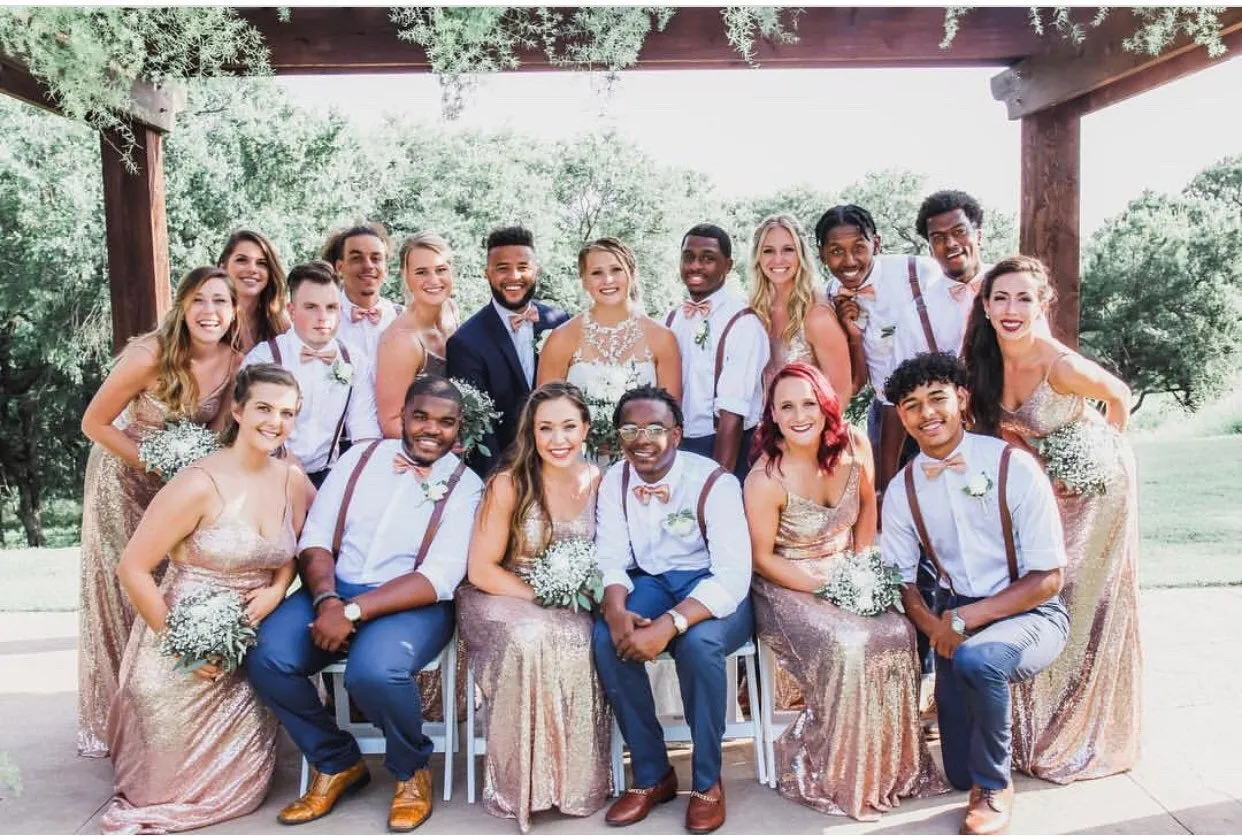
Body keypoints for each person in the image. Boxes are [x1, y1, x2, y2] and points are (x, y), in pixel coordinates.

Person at [245, 376, 483, 831]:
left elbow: (439, 576)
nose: (432, 429)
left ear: (459, 428)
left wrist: (352, 612)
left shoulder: (467, 486)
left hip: (412, 603)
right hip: (335, 589)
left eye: (445, 422)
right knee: (266, 656)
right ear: (403, 417)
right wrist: (330, 599)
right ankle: (335, 760)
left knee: (373, 673)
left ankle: (410, 770)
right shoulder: (359, 458)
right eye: (421, 417)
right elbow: (315, 539)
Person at [102, 364, 311, 833]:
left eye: (287, 413)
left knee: (244, 790)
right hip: (177, 637)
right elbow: (132, 568)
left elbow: (303, 546)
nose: (274, 422)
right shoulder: (197, 483)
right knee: (161, 791)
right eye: (263, 408)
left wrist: (278, 589)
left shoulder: (291, 480)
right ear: (236, 410)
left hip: (248, 648)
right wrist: (182, 645)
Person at [962, 255, 1140, 783]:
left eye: (1024, 299)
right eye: (1001, 298)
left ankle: (1081, 728)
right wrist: (1033, 453)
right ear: (987, 307)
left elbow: (1120, 400)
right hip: (1043, 487)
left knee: (1079, 599)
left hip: (1096, 490)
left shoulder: (1059, 365)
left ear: (1042, 305)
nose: (1011, 309)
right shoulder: (982, 358)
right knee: (1042, 595)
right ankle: (1034, 722)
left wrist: (1093, 454)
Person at [745, 362, 945, 821]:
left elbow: (867, 508)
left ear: (826, 406)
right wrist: (827, 586)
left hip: (847, 567)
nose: (799, 415)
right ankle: (841, 773)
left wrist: (862, 567)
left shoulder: (854, 443)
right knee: (850, 644)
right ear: (772, 415)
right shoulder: (765, 479)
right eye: (786, 406)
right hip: (786, 582)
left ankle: (894, 768)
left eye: (808, 404)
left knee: (897, 632)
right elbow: (762, 558)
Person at [881, 352, 1069, 836]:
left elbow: (1049, 577)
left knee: (979, 660)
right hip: (954, 619)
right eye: (911, 405)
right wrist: (935, 628)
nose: (927, 414)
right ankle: (975, 775)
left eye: (937, 398)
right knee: (956, 771)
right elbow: (902, 581)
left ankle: (994, 787)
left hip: (1033, 612)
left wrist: (966, 622)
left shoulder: (1014, 466)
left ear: (961, 399)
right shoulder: (903, 490)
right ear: (901, 416)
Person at [77, 266, 242, 758]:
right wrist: (156, 462)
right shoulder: (149, 354)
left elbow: (220, 434)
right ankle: (119, 720)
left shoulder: (235, 362)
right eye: (198, 301)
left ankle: (167, 711)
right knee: (124, 590)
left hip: (179, 487)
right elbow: (95, 423)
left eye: (220, 302)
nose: (209, 312)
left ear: (234, 312)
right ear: (182, 307)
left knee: (174, 584)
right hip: (122, 478)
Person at [592, 385, 754, 834]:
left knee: (698, 646)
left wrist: (670, 624)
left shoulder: (715, 482)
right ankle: (651, 774)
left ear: (677, 435)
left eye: (654, 428)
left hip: (712, 587)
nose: (641, 439)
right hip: (650, 581)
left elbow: (733, 576)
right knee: (609, 640)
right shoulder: (614, 480)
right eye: (630, 428)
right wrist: (617, 607)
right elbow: (610, 557)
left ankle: (707, 782)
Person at [457, 382, 612, 832]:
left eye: (568, 427)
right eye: (546, 428)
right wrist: (544, 597)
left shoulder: (601, 481)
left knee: (583, 637)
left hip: (571, 599)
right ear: (531, 431)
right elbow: (482, 569)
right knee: (531, 638)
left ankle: (573, 783)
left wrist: (574, 594)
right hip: (501, 593)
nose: (557, 439)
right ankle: (522, 785)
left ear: (585, 429)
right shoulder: (509, 482)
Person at [816, 204, 943, 492]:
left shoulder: (919, 273)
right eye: (836, 251)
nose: (849, 261)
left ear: (877, 244)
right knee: (886, 494)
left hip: (936, 409)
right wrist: (851, 335)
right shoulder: (827, 296)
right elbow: (855, 382)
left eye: (859, 247)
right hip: (884, 413)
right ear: (822, 254)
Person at [243, 260, 381, 488]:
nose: (323, 316)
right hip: (267, 474)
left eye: (331, 307)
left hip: (328, 477)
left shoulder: (354, 361)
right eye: (311, 307)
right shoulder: (264, 359)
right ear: (291, 311)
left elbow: (365, 432)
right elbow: (250, 431)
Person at [446, 226, 570, 476]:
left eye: (523, 267)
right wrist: (500, 486)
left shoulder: (561, 322)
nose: (514, 276)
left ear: (536, 271)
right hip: (507, 473)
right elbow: (478, 432)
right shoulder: (465, 342)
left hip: (564, 465)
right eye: (502, 268)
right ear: (487, 274)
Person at [665, 224, 769, 482]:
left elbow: (732, 413)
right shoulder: (672, 318)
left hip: (724, 446)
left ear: (728, 265)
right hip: (675, 446)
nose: (695, 266)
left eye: (708, 258)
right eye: (688, 257)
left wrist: (720, 481)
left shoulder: (743, 322)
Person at [538, 236, 681, 405]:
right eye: (596, 273)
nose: (608, 280)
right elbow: (546, 411)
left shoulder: (663, 338)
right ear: (584, 280)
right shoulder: (561, 338)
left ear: (632, 273)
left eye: (616, 269)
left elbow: (671, 415)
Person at [747, 214, 852, 401]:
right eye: (768, 251)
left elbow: (840, 393)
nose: (778, 259)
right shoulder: (753, 310)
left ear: (801, 254)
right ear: (757, 256)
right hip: (756, 427)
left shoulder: (817, 316)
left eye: (788, 249)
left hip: (806, 426)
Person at [890, 190, 995, 367]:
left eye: (959, 231)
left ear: (978, 236)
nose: (950, 243)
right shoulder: (915, 315)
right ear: (930, 250)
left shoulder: (1015, 287)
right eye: (938, 238)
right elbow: (906, 383)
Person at [376, 232, 459, 438]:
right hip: (422, 451)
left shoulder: (451, 310)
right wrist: (440, 443)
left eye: (441, 270)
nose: (433, 280)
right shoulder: (401, 341)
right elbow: (391, 423)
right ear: (406, 276)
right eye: (421, 272)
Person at [332, 223, 403, 363]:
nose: (368, 266)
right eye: (357, 258)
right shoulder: (322, 320)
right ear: (340, 267)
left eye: (376, 258)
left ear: (386, 269)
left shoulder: (402, 320)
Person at [217, 230, 291, 354]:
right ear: (223, 267)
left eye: (262, 263)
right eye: (241, 260)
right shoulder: (209, 318)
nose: (252, 269)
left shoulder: (280, 324)